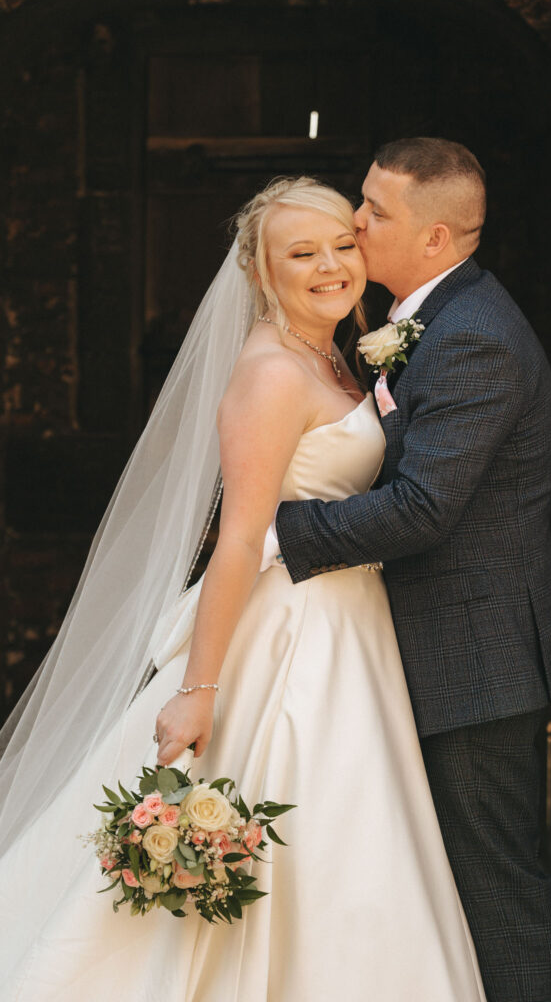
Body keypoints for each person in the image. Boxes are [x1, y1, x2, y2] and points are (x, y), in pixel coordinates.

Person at [0, 177, 486, 1001]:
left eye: (342, 243)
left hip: (350, 624)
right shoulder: (267, 375)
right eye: (302, 253)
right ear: (261, 274)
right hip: (294, 634)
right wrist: (197, 687)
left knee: (351, 838)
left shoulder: (334, 352)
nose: (331, 265)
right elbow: (236, 541)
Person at [263, 139, 551, 1002]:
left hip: (475, 659)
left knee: (493, 890)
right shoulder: (427, 317)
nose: (354, 222)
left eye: (374, 211)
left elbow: (422, 508)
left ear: (434, 239)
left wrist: (274, 531)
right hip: (436, 644)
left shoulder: (474, 338)